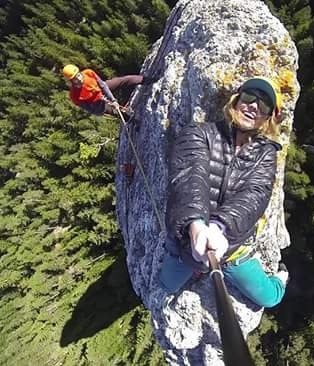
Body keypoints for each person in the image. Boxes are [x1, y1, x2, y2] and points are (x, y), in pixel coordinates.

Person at [159, 76, 289, 308]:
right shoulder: (199, 133)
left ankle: (281, 277)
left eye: (263, 105)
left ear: (268, 118)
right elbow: (189, 176)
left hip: (230, 249)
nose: (253, 106)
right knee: (166, 284)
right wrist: (196, 226)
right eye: (249, 97)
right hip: (188, 242)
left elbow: (255, 193)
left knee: (270, 298)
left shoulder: (266, 154)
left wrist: (219, 227)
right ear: (236, 101)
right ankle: (196, 267)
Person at [62, 64, 155, 116]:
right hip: (97, 104)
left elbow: (103, 85)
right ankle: (132, 121)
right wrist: (104, 105)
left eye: (78, 75)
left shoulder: (88, 73)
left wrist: (113, 99)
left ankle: (148, 80)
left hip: (102, 89)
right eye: (75, 78)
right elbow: (90, 109)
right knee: (117, 112)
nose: (78, 78)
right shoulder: (74, 95)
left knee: (124, 80)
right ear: (71, 81)